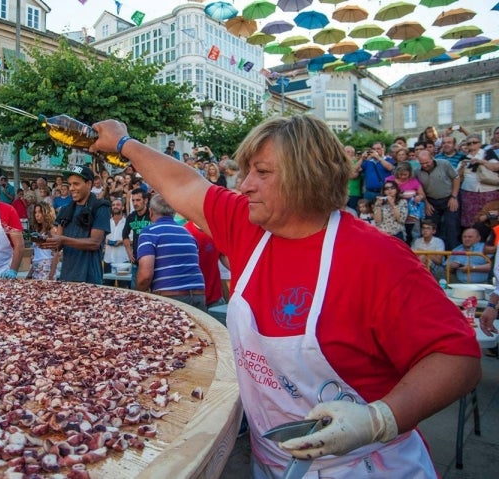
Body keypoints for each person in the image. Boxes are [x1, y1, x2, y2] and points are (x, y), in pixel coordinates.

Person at [89, 114, 480, 479]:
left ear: (305, 178)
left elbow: (457, 360)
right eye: (246, 172)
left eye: (261, 173)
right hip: (274, 461)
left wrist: (378, 419)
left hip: (364, 465)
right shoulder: (248, 224)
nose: (244, 185)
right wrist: (124, 142)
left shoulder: (376, 257)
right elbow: (184, 184)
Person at [39, 165, 110, 284]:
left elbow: (95, 243)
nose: (71, 188)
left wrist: (63, 240)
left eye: (76, 184)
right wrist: (47, 243)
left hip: (90, 278)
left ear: (88, 184)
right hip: (67, 276)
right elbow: (58, 245)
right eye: (70, 184)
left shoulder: (100, 207)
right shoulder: (65, 210)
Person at [136, 194, 206, 311]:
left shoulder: (149, 232)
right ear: (173, 213)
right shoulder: (187, 233)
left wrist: (137, 294)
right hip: (198, 294)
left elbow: (145, 276)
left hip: (171, 297)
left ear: (151, 212)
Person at [415, 150, 461, 250]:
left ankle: (453, 254)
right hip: (431, 201)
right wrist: (426, 202)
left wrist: (454, 197)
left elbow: (456, 178)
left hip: (449, 198)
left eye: (427, 162)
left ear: (432, 157)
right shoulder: (417, 171)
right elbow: (419, 188)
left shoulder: (444, 164)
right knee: (431, 227)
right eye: (422, 163)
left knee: (451, 226)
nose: (425, 165)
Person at [457, 133, 499, 230]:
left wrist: (481, 162)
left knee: (491, 218)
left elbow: (496, 167)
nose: (472, 145)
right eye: (469, 143)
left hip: (489, 191)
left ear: (480, 143)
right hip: (469, 192)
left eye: (474, 142)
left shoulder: (488, 153)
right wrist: (462, 167)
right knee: (471, 220)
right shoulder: (463, 158)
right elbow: (458, 177)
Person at [185, 220, 228, 310]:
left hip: (215, 299)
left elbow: (224, 257)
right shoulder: (186, 232)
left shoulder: (217, 231)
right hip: (194, 299)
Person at [122, 188, 152, 289]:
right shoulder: (131, 216)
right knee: (136, 292)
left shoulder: (152, 215)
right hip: (136, 262)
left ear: (146, 200)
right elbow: (124, 234)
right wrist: (129, 251)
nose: (135, 203)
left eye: (138, 200)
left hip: (152, 262)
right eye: (133, 200)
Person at [27, 202, 58, 280]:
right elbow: (36, 254)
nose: (37, 215)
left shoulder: (52, 230)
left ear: (47, 213)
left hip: (46, 268)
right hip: (36, 267)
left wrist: (51, 274)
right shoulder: (38, 231)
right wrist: (30, 273)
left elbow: (56, 253)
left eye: (40, 212)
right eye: (35, 212)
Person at [104, 198, 129, 276]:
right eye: (113, 205)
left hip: (123, 260)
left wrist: (121, 242)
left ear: (123, 207)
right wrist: (105, 240)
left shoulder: (127, 222)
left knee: (123, 286)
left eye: (118, 205)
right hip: (108, 259)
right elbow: (101, 237)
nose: (115, 206)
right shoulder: (106, 222)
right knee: (107, 286)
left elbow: (133, 240)